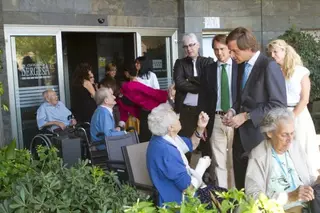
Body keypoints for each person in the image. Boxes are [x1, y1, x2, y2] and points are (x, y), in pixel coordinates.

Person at [222, 27, 287, 190]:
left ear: (248, 48)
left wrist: (246, 116)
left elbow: (279, 104)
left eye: (234, 51)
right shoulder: (240, 65)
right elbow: (241, 99)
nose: (231, 55)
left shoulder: (268, 66)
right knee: (241, 189)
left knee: (259, 191)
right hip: (239, 141)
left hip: (260, 139)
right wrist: (232, 110)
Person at [245, 108, 320, 212]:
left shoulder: (295, 147)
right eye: (284, 135)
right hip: (283, 208)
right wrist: (289, 196)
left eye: (292, 133)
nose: (290, 140)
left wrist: (317, 180)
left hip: (309, 204)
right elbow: (252, 195)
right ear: (269, 133)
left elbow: (309, 180)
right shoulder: (258, 155)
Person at [267, 39, 320, 175]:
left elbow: (305, 99)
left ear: (284, 51)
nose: (272, 55)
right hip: (279, 113)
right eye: (271, 53)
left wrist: (292, 116)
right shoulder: (274, 72)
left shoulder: (301, 71)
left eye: (275, 52)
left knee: (301, 146)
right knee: (282, 147)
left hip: (298, 114)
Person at [146, 103, 211, 206]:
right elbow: (188, 189)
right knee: (224, 199)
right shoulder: (167, 151)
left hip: (176, 195)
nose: (179, 118)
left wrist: (200, 128)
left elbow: (192, 144)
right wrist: (202, 166)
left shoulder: (162, 138)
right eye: (176, 118)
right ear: (170, 127)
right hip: (178, 203)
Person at [198, 34, 238, 189]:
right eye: (216, 50)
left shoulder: (239, 67)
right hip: (215, 118)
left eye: (222, 49)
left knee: (233, 160)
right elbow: (203, 97)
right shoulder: (209, 70)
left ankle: (235, 198)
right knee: (219, 161)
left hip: (235, 119)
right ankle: (223, 199)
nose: (219, 53)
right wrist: (204, 125)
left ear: (229, 48)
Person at [174, 33, 214, 161]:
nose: (189, 49)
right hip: (186, 111)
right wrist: (200, 86)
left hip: (204, 111)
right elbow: (179, 83)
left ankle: (207, 175)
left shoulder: (208, 61)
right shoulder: (180, 63)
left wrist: (189, 80)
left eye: (191, 45)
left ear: (198, 45)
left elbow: (209, 83)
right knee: (185, 144)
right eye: (185, 46)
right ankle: (185, 172)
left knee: (206, 145)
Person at [117, 67, 170, 142]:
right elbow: (123, 113)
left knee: (160, 132)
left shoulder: (130, 86)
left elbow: (149, 91)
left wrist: (166, 96)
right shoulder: (119, 100)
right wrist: (120, 125)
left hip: (154, 106)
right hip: (143, 111)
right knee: (145, 135)